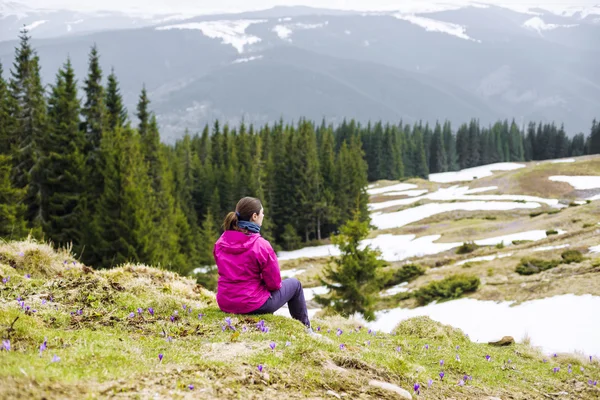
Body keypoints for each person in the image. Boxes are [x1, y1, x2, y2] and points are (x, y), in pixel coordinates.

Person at [213, 196, 313, 330]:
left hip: (226, 303)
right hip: (253, 305)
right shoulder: (261, 245)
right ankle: (306, 329)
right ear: (254, 216)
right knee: (295, 285)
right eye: (262, 212)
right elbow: (274, 284)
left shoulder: (220, 243)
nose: (263, 215)